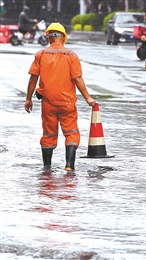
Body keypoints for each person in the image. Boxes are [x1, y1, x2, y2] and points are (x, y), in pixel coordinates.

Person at [24, 22, 96, 172]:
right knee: (71, 132)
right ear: (64, 37)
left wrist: (28, 98)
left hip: (48, 104)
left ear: (49, 37)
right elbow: (77, 79)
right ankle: (69, 166)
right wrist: (88, 98)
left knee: (48, 133)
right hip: (67, 104)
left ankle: (47, 167)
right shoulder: (71, 55)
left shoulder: (41, 54)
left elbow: (33, 78)